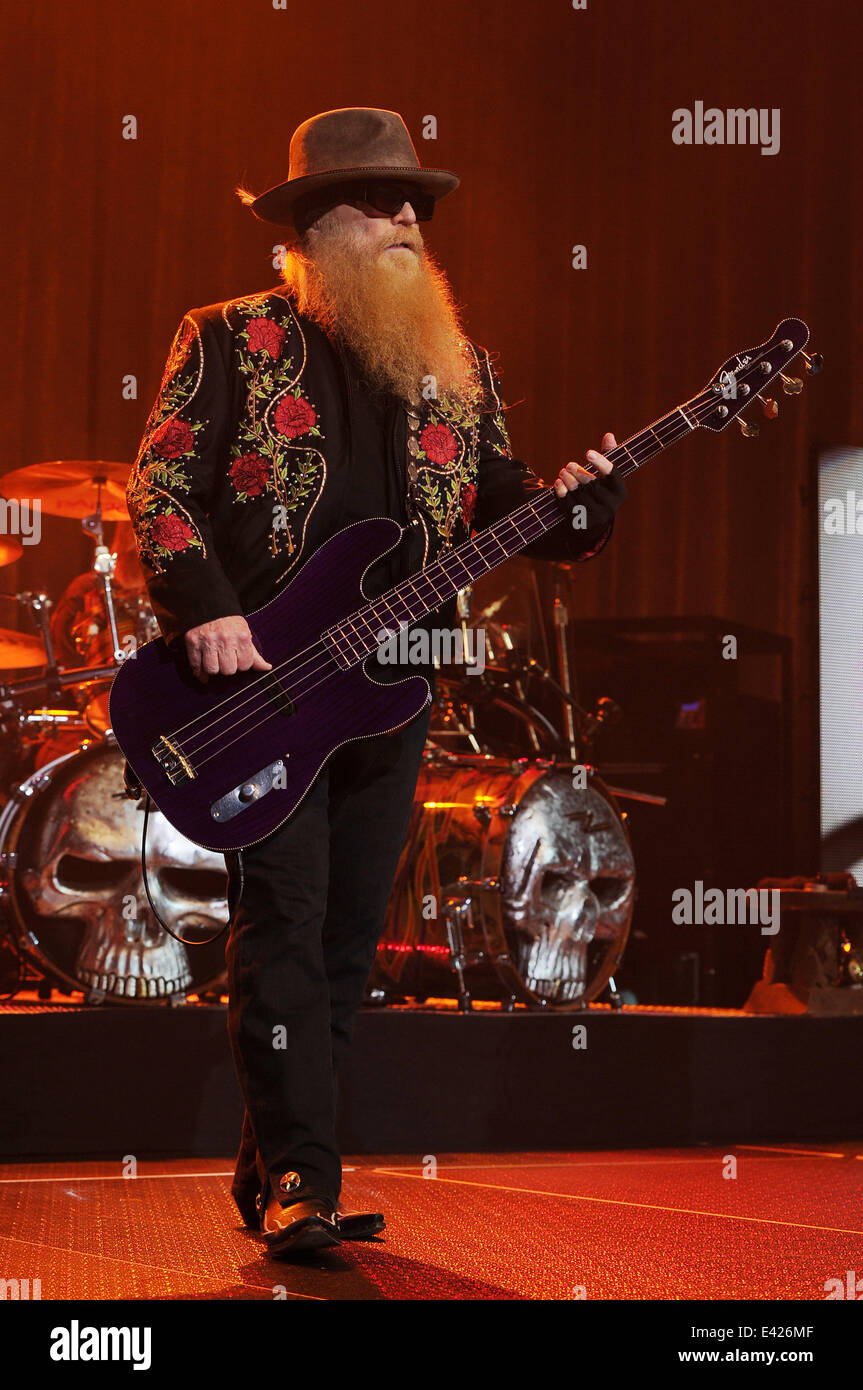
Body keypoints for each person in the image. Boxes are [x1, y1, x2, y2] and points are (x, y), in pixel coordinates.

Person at [126, 107, 626, 1257]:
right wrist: (207, 614)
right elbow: (159, 489)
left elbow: (506, 508)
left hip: (394, 693)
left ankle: (284, 1178)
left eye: (419, 204)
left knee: (347, 941)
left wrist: (582, 506)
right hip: (260, 693)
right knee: (286, 928)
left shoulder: (458, 368)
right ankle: (303, 1177)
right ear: (316, 223)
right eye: (385, 200)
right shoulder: (229, 339)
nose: (412, 218)